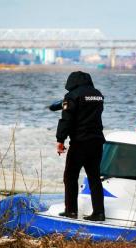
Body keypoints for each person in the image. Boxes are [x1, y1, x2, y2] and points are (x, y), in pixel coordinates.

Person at [49, 71, 105, 221]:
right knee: (94, 177)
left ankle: (71, 211)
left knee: (70, 176)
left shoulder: (72, 96)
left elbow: (66, 120)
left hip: (80, 143)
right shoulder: (98, 95)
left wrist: (60, 140)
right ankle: (99, 213)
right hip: (97, 141)